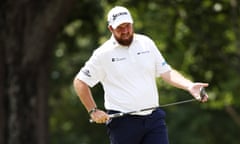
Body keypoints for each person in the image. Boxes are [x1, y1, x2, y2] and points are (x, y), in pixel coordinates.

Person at [73, 6, 209, 144]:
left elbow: (166, 72)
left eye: (128, 26)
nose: (125, 31)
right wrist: (93, 110)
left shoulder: (146, 43)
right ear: (111, 29)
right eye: (120, 28)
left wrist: (189, 86)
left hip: (153, 118)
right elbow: (80, 82)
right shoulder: (103, 54)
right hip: (123, 124)